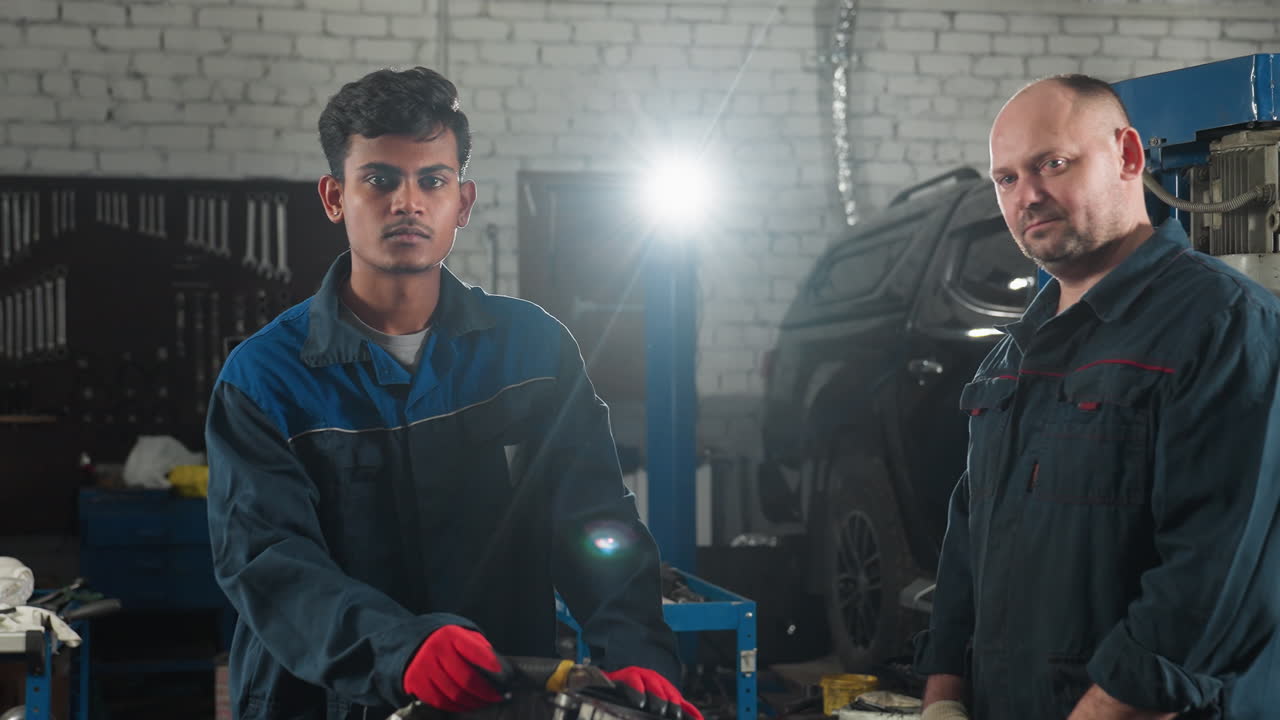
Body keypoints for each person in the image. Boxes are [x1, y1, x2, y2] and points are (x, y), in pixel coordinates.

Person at [205, 66, 700, 720]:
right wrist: (399, 649)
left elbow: (594, 521)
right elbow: (271, 565)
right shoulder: (265, 379)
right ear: (334, 197)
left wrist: (634, 652)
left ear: (461, 203)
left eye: (431, 180)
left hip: (494, 699)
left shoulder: (534, 354)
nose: (406, 202)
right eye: (379, 179)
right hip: (322, 705)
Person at [913, 74, 1280, 720]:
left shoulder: (1223, 327)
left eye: (1053, 164)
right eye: (1006, 179)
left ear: (1130, 157)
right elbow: (970, 539)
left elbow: (1211, 578)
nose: (1028, 195)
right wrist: (944, 690)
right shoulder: (1015, 353)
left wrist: (1108, 708)